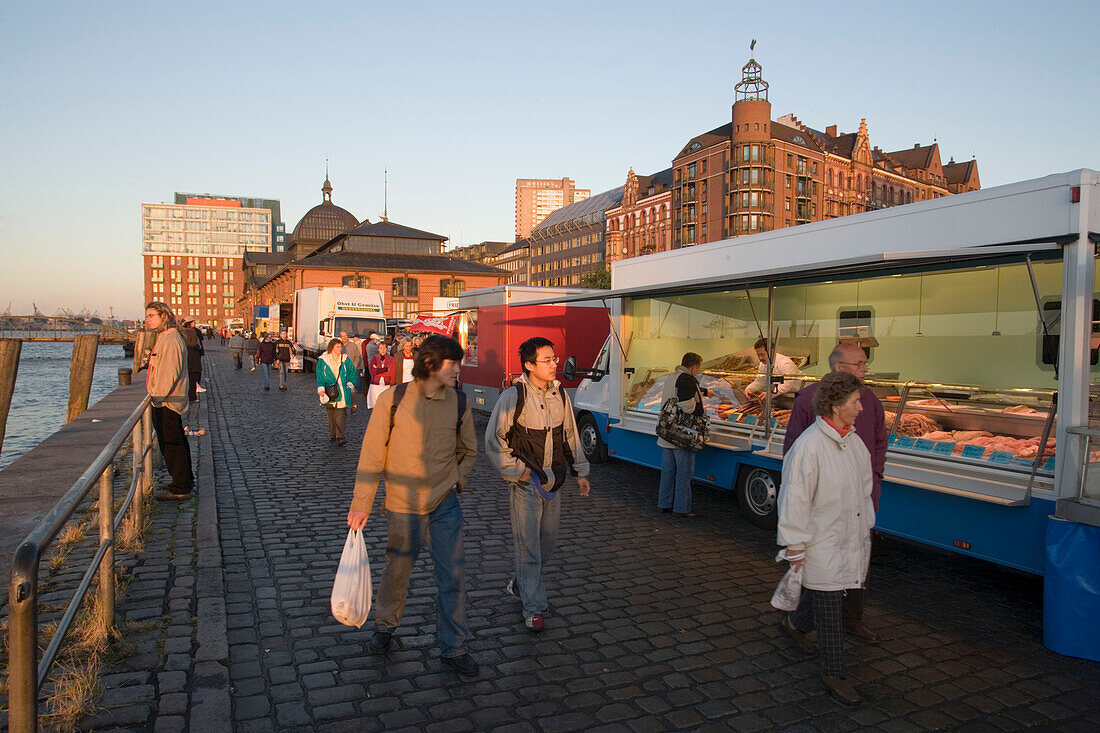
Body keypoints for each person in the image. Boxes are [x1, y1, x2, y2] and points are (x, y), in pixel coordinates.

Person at [347, 335, 478, 676]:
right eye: (453, 363)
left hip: (444, 504)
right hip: (402, 506)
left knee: (453, 576)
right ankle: (385, 627)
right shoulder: (393, 399)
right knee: (397, 570)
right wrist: (362, 503)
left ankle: (454, 646)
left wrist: (458, 479)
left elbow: (469, 450)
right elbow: (372, 455)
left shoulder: (459, 403)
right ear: (431, 365)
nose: (458, 369)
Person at [777, 371, 874, 706]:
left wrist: (865, 528)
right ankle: (835, 674)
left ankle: (794, 624)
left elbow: (863, 491)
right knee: (831, 613)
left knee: (828, 599)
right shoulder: (809, 448)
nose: (861, 408)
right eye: (855, 402)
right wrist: (795, 546)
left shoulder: (854, 443)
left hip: (848, 538)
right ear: (835, 406)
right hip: (821, 543)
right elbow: (793, 499)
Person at [783, 342, 886, 644]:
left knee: (859, 558)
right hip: (825, 501)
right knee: (821, 563)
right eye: (860, 364)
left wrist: (874, 476)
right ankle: (805, 622)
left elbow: (879, 440)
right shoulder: (807, 399)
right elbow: (794, 448)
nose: (865, 369)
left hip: (861, 495)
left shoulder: (870, 401)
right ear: (839, 367)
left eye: (865, 364)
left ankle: (852, 618)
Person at [485, 337, 591, 632]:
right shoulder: (513, 396)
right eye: (547, 360)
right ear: (529, 365)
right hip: (525, 484)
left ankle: (521, 583)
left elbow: (570, 435)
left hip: (553, 483)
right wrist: (517, 471)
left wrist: (581, 472)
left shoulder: (561, 395)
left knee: (546, 544)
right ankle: (534, 607)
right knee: (528, 546)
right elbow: (494, 440)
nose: (554, 364)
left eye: (555, 358)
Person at [143, 302, 194, 500]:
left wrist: (156, 397)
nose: (147, 319)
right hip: (167, 399)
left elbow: (168, 373)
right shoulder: (166, 337)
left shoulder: (171, 339)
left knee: (172, 443)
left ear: (163, 316)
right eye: (146, 316)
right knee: (175, 441)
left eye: (151, 315)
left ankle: (181, 486)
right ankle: (182, 480)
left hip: (168, 401)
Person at [656, 352, 710, 518]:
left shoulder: (672, 377)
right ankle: (682, 508)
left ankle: (664, 504)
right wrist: (701, 409)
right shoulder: (687, 379)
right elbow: (686, 405)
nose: (698, 371)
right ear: (693, 367)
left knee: (668, 472)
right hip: (682, 435)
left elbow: (680, 392)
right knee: (684, 473)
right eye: (698, 368)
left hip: (667, 433)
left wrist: (705, 392)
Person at [316, 338, 356, 445]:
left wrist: (350, 383)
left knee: (341, 414)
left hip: (342, 390)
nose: (339, 349)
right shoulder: (323, 361)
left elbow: (352, 372)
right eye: (337, 346)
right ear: (332, 347)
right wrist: (321, 388)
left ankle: (340, 436)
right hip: (329, 390)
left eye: (340, 346)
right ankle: (333, 433)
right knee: (331, 414)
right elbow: (320, 376)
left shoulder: (345, 359)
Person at [744, 338, 804, 408]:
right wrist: (749, 388)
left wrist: (770, 393)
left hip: (795, 395)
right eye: (758, 355)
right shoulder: (763, 364)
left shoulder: (785, 363)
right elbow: (761, 381)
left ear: (771, 351)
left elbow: (787, 384)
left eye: (762, 355)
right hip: (779, 396)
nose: (760, 358)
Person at [366, 339, 396, 410]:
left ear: (386, 349)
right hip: (375, 384)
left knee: (385, 405)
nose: (382, 350)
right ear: (378, 349)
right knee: (375, 405)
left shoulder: (391, 359)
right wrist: (385, 369)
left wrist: (378, 371)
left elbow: (392, 372)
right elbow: (372, 371)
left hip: (387, 384)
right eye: (381, 348)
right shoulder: (374, 358)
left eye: (384, 348)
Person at [180, 318, 204, 402]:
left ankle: (185, 396)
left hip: (183, 359)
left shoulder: (180, 332)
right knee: (192, 380)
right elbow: (197, 345)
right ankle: (192, 397)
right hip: (193, 359)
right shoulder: (192, 332)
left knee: (185, 380)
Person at [342, 331, 363, 411]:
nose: (344, 338)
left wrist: (354, 366)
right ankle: (343, 406)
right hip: (341, 371)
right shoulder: (339, 346)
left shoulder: (353, 345)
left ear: (347, 336)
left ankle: (354, 404)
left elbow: (357, 357)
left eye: (345, 336)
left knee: (352, 389)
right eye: (342, 336)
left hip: (351, 370)